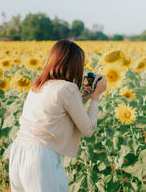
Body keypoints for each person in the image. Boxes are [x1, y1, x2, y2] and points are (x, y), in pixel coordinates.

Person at [8, 39, 108, 192]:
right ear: (74, 65)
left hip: (19, 151)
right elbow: (88, 129)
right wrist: (96, 97)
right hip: (41, 157)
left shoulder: (39, 84)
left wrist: (82, 97)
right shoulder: (67, 88)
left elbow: (55, 108)